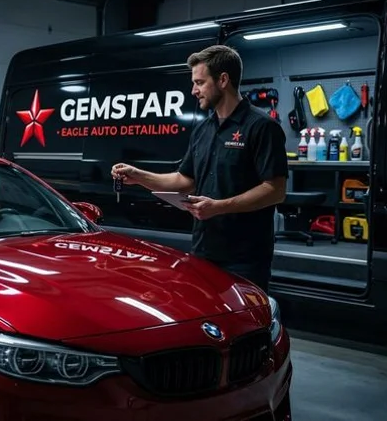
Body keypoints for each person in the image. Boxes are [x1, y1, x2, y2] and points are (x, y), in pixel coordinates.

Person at [111, 45, 288, 293]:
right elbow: (185, 180)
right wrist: (139, 176)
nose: (194, 90)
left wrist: (218, 207)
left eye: (200, 82)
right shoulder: (203, 129)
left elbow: (275, 190)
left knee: (244, 316)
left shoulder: (262, 127)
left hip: (245, 259)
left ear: (223, 80)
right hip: (204, 250)